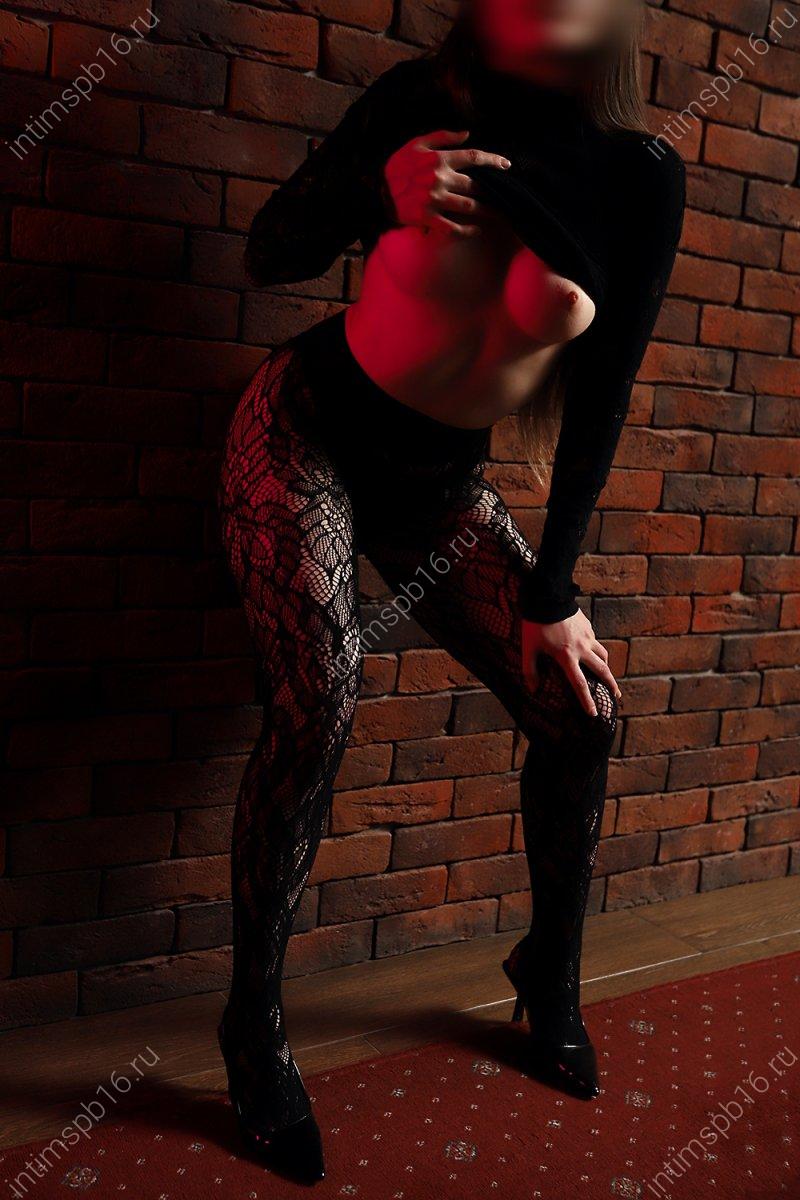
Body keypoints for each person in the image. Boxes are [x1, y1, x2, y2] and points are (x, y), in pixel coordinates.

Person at [215, 0, 685, 1182]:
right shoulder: (418, 104)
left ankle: (547, 975)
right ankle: (253, 1027)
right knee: (322, 694)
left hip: (439, 488)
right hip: (308, 427)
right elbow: (269, 252)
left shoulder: (637, 174)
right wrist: (374, 193)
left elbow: (602, 398)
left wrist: (552, 591)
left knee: (580, 708)